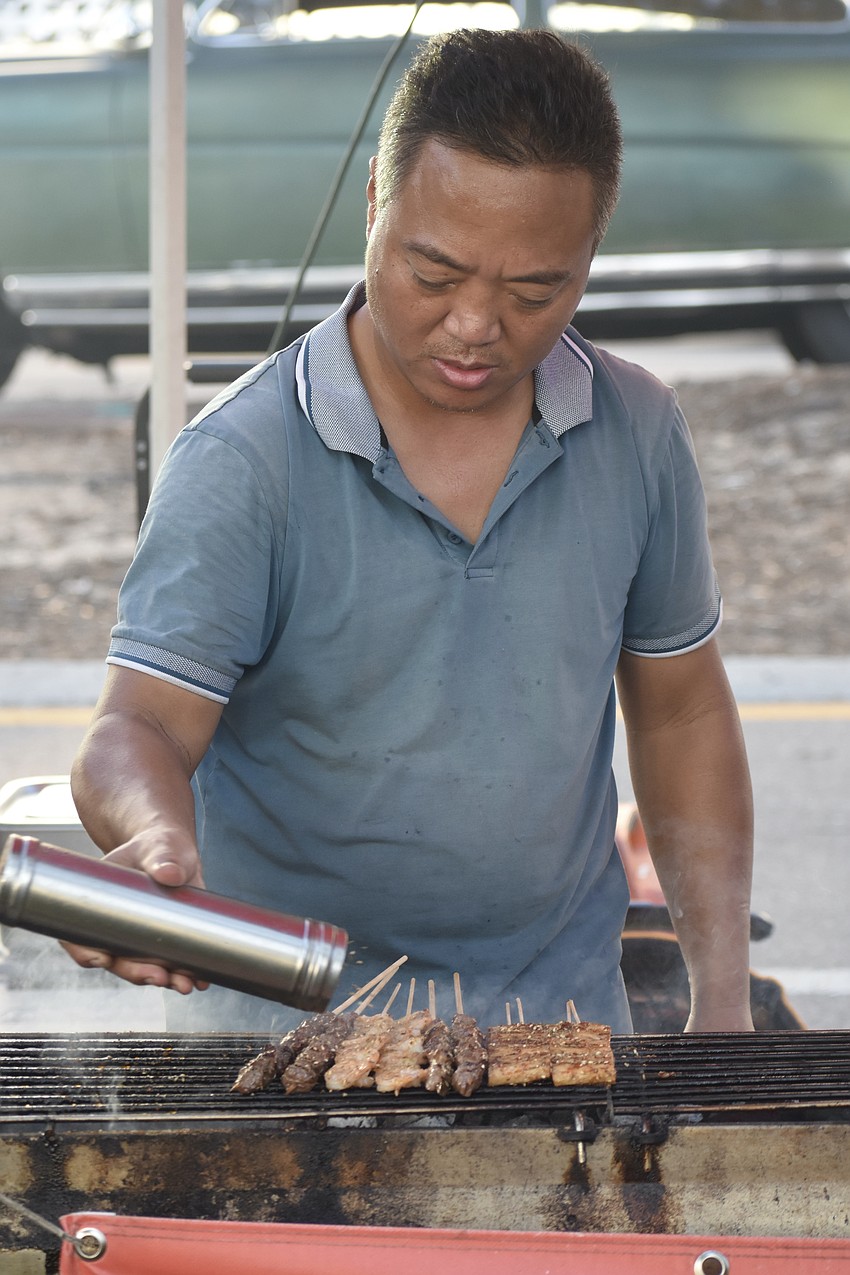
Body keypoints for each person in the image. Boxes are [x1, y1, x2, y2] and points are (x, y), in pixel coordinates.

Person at [68, 28, 754, 1035]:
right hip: (282, 1038)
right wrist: (156, 836)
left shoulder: (636, 430)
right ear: (375, 209)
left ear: (589, 258)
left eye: (536, 291)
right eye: (435, 275)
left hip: (552, 1026)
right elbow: (139, 727)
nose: (477, 324)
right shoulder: (244, 457)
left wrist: (724, 1001)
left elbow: (682, 714)